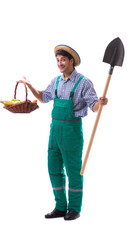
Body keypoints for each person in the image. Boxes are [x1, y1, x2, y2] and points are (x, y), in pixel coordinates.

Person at [19, 45, 108, 220]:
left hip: (71, 132)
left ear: (71, 61)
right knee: (53, 168)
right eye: (58, 60)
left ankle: (74, 208)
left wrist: (101, 103)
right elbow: (43, 97)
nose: (60, 63)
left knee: (74, 171)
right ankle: (60, 207)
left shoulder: (84, 82)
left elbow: (94, 107)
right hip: (55, 130)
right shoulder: (56, 81)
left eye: (63, 60)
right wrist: (29, 85)